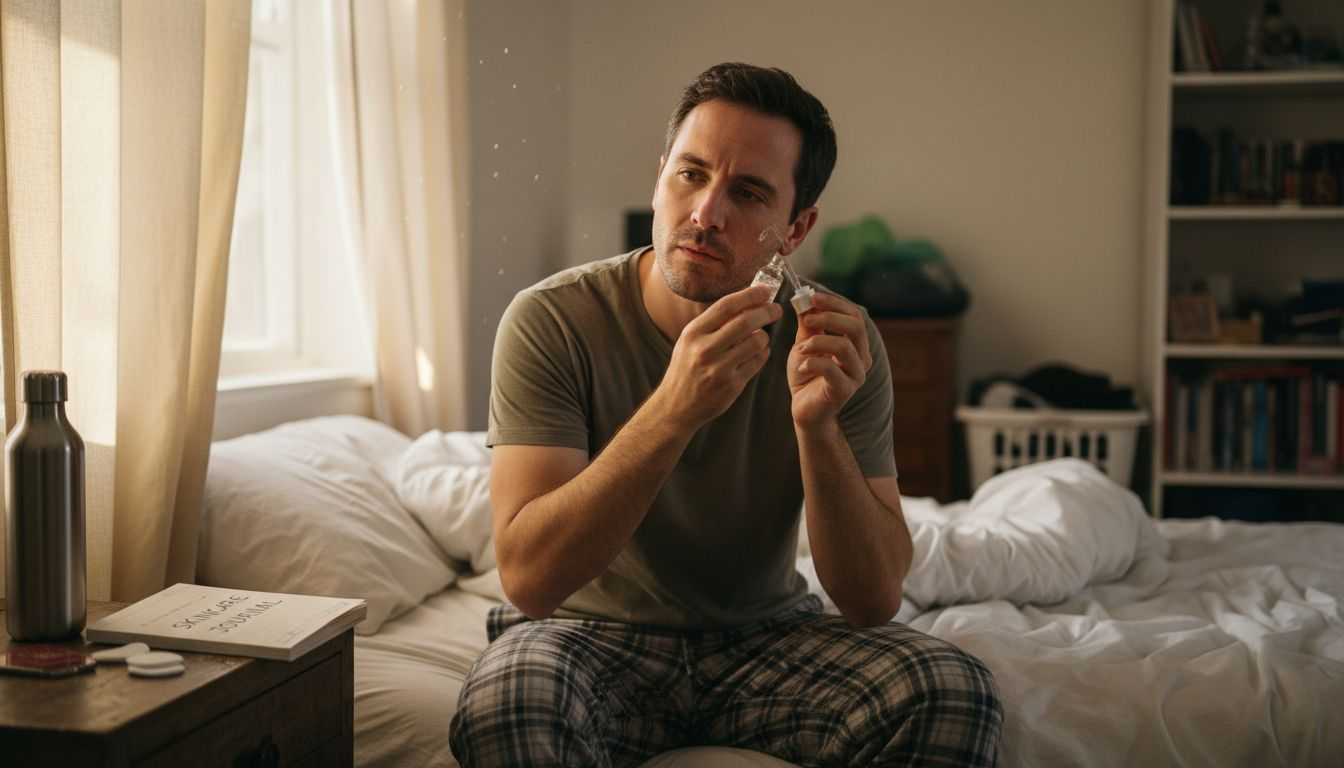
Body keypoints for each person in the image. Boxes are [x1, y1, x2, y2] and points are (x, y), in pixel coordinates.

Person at [450, 62, 1002, 768]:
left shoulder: (836, 340)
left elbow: (871, 602)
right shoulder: (552, 320)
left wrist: (818, 427)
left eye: (748, 193)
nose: (706, 214)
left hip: (766, 639)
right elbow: (529, 582)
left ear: (795, 229)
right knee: (506, 705)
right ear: (659, 178)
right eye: (690, 174)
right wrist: (675, 409)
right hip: (586, 636)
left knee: (952, 692)